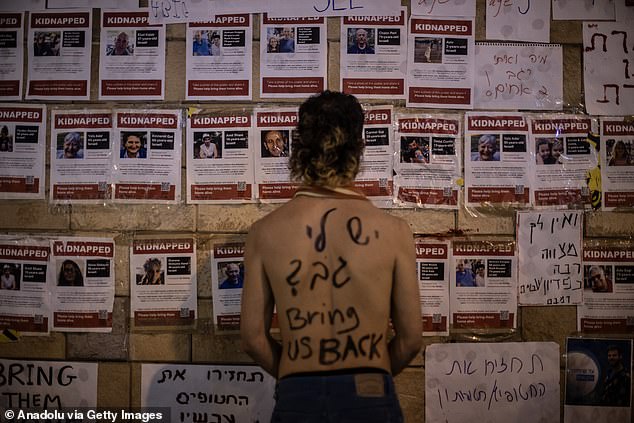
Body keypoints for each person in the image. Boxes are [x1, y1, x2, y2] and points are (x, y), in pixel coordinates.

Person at [241, 91, 422, 422]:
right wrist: (375, 373)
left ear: (301, 149)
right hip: (370, 389)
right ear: (358, 147)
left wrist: (292, 374)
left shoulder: (264, 233)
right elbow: (410, 340)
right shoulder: (394, 231)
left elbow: (253, 338)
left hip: (298, 392)